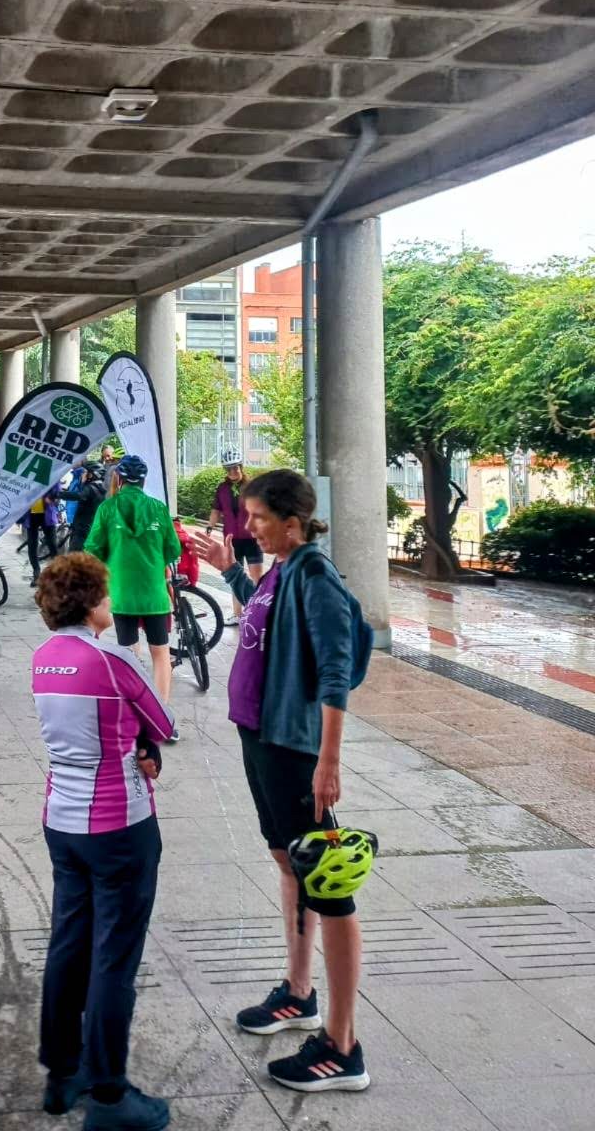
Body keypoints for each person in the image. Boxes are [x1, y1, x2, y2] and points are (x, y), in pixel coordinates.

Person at [190, 470, 369, 1094]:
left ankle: (343, 1047)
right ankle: (299, 992)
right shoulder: (283, 569)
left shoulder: (316, 575)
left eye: (258, 518)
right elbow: (266, 620)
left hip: (294, 747)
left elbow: (336, 671)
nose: (248, 527)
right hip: (261, 737)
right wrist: (230, 573)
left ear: (292, 523)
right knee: (289, 862)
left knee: (328, 881)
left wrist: (328, 760)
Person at [32, 552, 174, 1131]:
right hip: (120, 826)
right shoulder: (113, 658)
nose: (111, 603)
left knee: (69, 944)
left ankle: (62, 1075)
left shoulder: (43, 658)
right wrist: (141, 739)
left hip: (61, 822)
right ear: (91, 603)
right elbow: (164, 722)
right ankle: (110, 1096)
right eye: (106, 594)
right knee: (114, 959)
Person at [84, 455, 182, 711]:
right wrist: (153, 560)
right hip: (154, 594)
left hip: (121, 592)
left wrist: (112, 562)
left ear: (119, 479)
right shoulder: (158, 508)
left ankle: (134, 710)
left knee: (128, 652)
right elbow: (173, 549)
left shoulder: (107, 508)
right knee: (160, 653)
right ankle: (161, 714)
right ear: (144, 480)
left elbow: (92, 549)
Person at [209, 449, 263, 624]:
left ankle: (259, 613)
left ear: (241, 466)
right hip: (232, 540)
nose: (232, 471)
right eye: (228, 469)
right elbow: (216, 509)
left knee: (256, 576)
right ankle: (237, 614)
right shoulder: (222, 488)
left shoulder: (252, 487)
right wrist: (210, 526)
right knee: (235, 577)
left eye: (235, 467)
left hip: (252, 538)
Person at [57, 460, 106, 552]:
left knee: (74, 555)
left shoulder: (90, 488)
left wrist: (58, 494)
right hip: (89, 528)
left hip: (81, 529)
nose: (83, 475)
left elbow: (78, 496)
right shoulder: (101, 489)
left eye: (86, 472)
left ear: (92, 475)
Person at [23, 486, 62, 584]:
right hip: (31, 515)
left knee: (52, 544)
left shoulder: (52, 477)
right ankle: (36, 573)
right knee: (32, 545)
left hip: (47, 514)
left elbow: (58, 493)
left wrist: (52, 499)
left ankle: (58, 573)